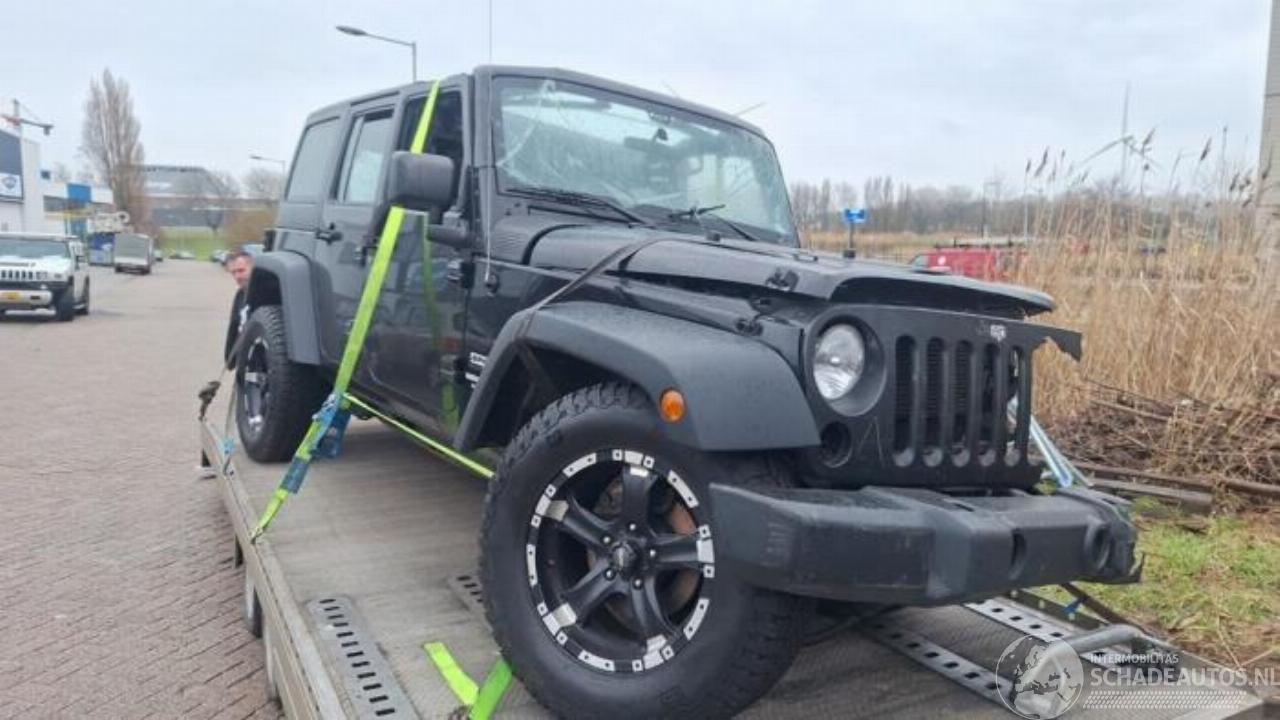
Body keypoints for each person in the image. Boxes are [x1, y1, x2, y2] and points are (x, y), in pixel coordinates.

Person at [224, 251, 254, 367]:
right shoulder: (240, 294)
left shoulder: (268, 294)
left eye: (241, 271)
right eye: (233, 273)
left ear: (253, 268)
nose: (237, 277)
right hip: (242, 362)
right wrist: (229, 359)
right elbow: (234, 326)